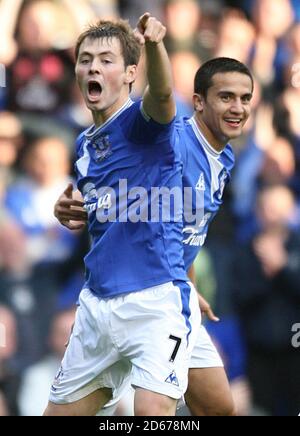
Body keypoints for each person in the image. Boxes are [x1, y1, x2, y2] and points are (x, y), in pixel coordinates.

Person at [54, 57, 254, 416]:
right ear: (198, 102)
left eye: (244, 98)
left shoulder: (223, 157)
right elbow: (123, 170)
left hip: (175, 290)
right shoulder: (170, 142)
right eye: (226, 97)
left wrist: (189, 282)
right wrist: (78, 203)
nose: (237, 107)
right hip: (141, 296)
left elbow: (178, 229)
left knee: (219, 408)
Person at [43, 13, 200, 416]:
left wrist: (155, 45)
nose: (93, 66)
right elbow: (101, 205)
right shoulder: (83, 143)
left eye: (106, 60)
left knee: (150, 415)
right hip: (96, 305)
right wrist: (70, 209)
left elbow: (163, 96)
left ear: (132, 73)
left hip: (153, 300)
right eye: (85, 59)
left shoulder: (142, 122)